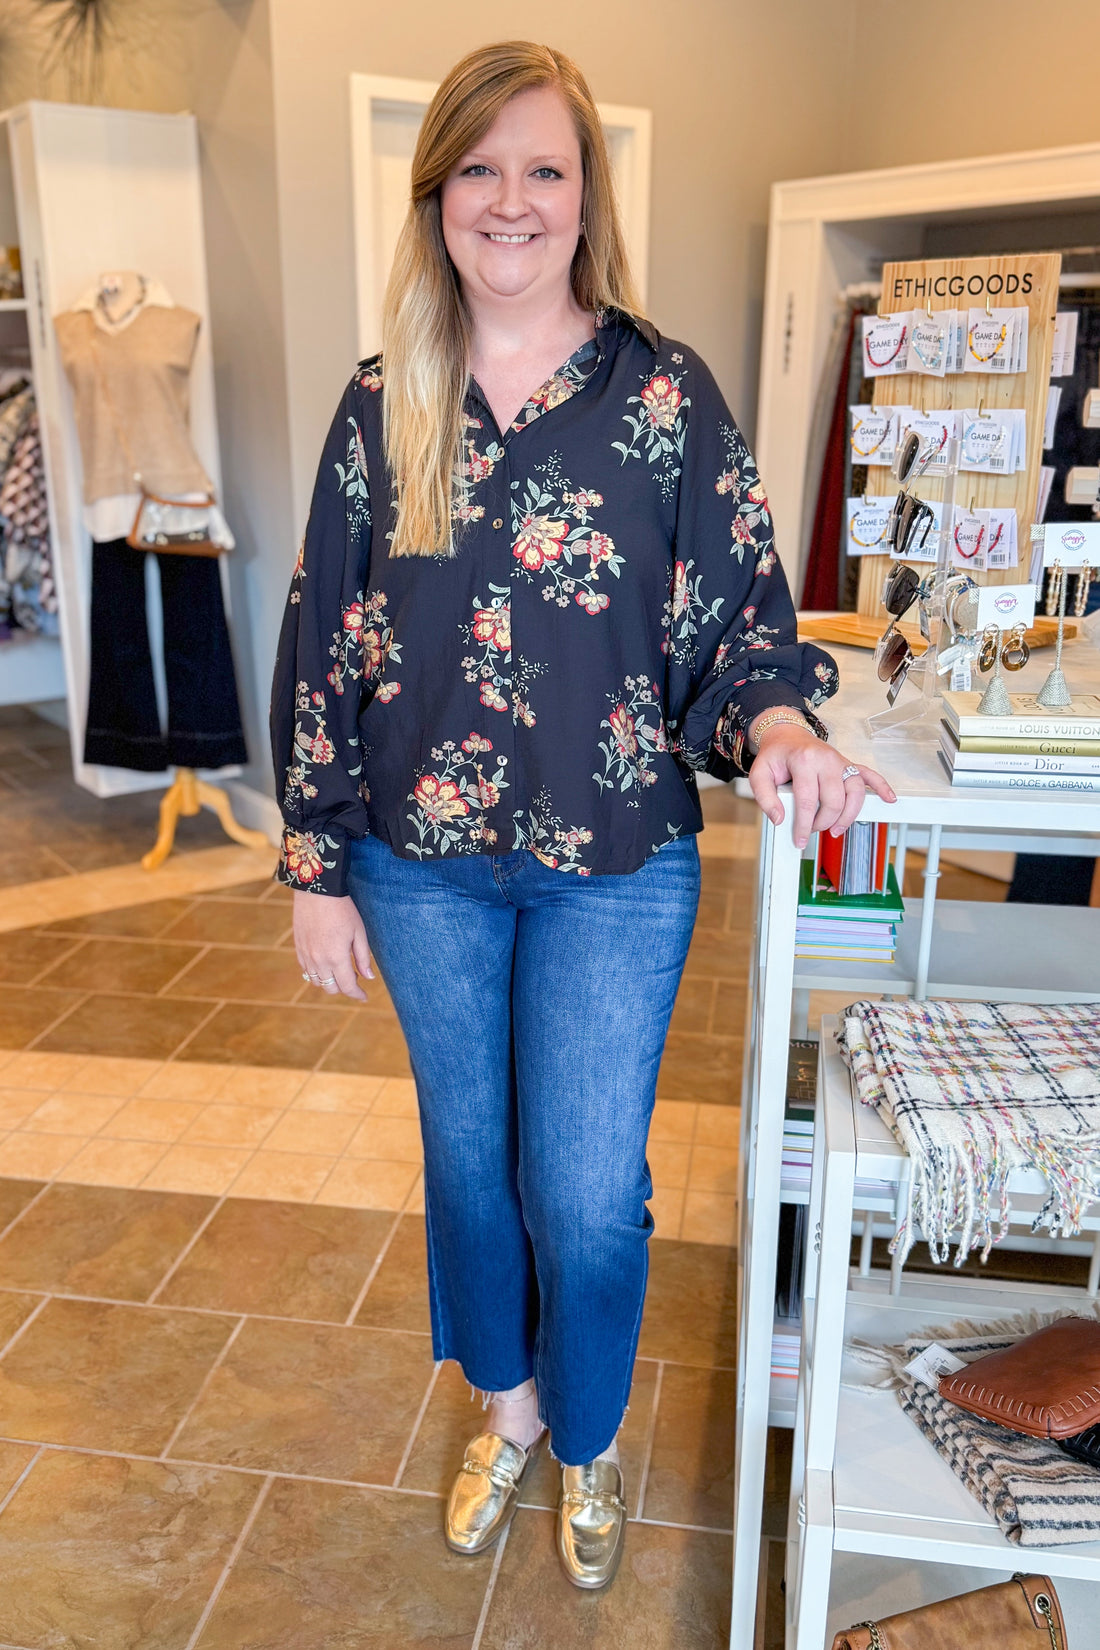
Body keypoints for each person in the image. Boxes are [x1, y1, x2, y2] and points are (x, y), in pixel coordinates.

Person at [270, 39, 894, 1591]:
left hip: (615, 865)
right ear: (436, 197)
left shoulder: (661, 395)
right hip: (418, 865)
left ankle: (591, 1432)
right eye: (479, 168)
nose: (512, 199)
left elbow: (738, 619)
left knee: (587, 1191)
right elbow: (323, 633)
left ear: (587, 196)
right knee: (471, 1165)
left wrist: (776, 725)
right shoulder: (383, 404)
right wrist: (315, 862)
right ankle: (511, 1408)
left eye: (544, 167)